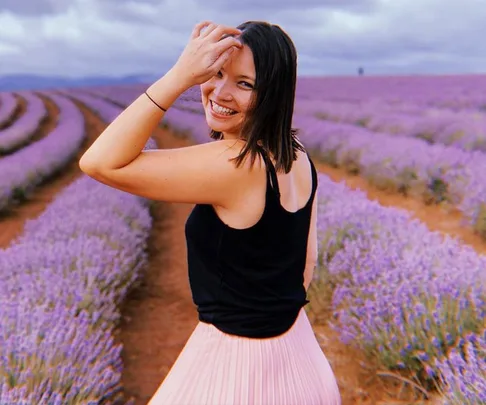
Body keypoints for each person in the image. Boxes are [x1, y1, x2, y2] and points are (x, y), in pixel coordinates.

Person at [79, 20, 341, 405]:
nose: (220, 92)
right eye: (215, 73)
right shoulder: (296, 153)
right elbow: (306, 263)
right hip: (300, 358)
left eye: (244, 83)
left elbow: (101, 163)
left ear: (273, 93)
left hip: (238, 371)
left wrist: (179, 76)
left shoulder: (234, 163)